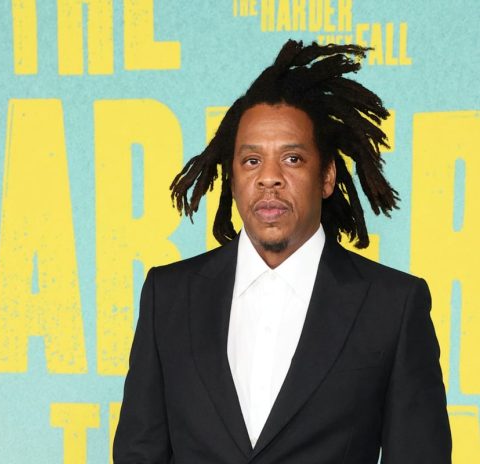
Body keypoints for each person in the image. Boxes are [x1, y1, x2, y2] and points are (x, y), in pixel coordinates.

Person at [113, 40, 451, 463]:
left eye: (292, 159)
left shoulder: (393, 306)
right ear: (232, 177)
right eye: (251, 161)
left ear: (327, 177)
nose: (269, 178)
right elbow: (139, 453)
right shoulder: (168, 295)